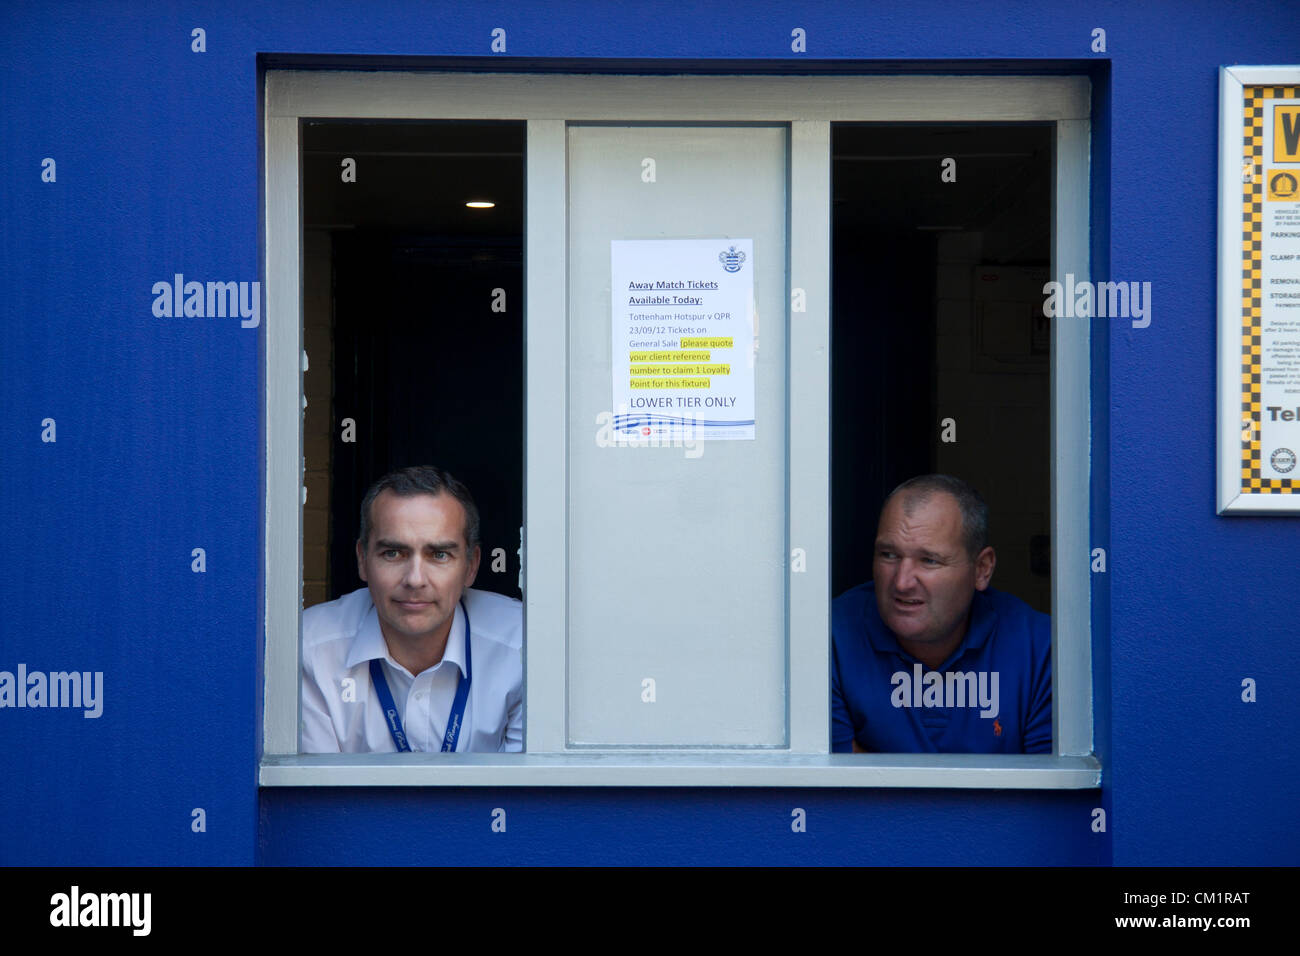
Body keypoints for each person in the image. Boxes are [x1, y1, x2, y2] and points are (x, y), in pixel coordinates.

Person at [301, 466, 523, 753]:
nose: (415, 580)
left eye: (439, 554)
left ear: (471, 566)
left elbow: (521, 797)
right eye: (393, 553)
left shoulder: (523, 649)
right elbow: (319, 796)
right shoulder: (311, 650)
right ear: (362, 560)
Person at [832, 474, 1051, 754]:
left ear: (982, 568)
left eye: (929, 560)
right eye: (889, 555)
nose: (901, 582)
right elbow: (841, 788)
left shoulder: (1039, 649)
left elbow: (1045, 791)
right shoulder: (832, 638)